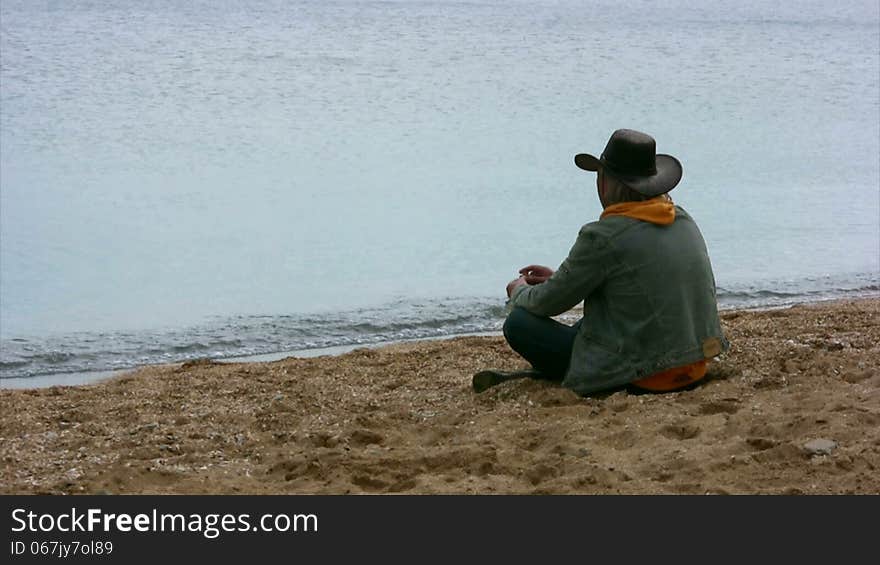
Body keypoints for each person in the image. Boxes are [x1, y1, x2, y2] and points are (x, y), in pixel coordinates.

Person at [473, 129, 729, 395]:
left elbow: (545, 304)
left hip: (646, 372)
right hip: (693, 361)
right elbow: (638, 281)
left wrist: (518, 291)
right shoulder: (682, 220)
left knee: (519, 324)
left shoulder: (603, 236)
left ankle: (568, 371)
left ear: (606, 183)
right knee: (599, 316)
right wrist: (558, 279)